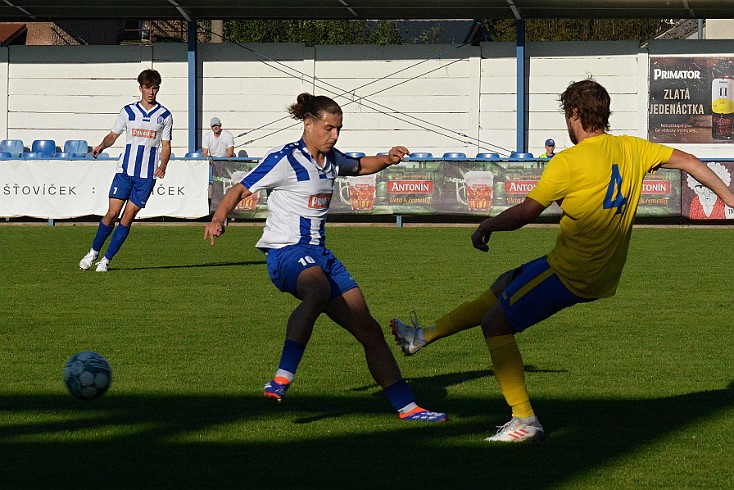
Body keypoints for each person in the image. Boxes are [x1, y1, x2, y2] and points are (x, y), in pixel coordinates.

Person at [390, 78, 734, 442]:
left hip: (574, 272)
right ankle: (421, 337)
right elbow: (691, 161)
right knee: (504, 285)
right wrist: (729, 196)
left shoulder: (568, 161)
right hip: (595, 267)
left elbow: (525, 212)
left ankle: (524, 420)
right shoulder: (633, 148)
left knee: (495, 324)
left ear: (574, 115)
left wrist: (486, 225)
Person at [204, 93, 447, 423]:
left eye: (338, 129)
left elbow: (359, 166)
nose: (334, 135)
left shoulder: (331, 159)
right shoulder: (285, 159)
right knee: (317, 290)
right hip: (286, 253)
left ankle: (408, 408)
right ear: (308, 124)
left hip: (320, 255)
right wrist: (219, 218)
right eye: (329, 128)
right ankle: (283, 376)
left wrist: (388, 159)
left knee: (369, 330)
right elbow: (237, 190)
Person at [79, 69, 173, 272]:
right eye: (147, 87)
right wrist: (101, 146)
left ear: (158, 90)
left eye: (154, 88)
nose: (151, 92)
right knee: (112, 213)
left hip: (146, 176)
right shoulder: (128, 111)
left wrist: (163, 165)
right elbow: (114, 135)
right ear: (140, 88)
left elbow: (165, 145)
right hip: (124, 171)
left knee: (128, 217)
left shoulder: (164, 115)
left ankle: (106, 260)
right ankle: (93, 252)